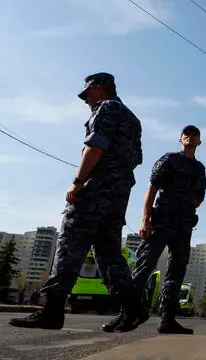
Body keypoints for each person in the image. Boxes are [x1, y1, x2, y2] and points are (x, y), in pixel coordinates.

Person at [9, 73, 147, 331]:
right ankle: (133, 307)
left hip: (98, 186)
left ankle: (52, 310)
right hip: (120, 191)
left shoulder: (107, 108)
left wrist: (78, 181)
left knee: (70, 240)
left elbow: (95, 147)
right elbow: (135, 158)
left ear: (100, 87)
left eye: (87, 94)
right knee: (108, 253)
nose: (85, 101)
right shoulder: (132, 118)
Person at [102, 125, 206, 334]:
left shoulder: (199, 169)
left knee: (177, 271)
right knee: (144, 266)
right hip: (161, 221)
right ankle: (127, 314)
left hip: (183, 225)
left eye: (194, 136)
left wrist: (186, 207)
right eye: (186, 134)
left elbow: (200, 197)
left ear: (199, 142)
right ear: (180, 139)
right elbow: (152, 188)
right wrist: (145, 219)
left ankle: (167, 320)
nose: (190, 138)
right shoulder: (169, 159)